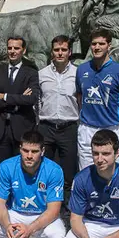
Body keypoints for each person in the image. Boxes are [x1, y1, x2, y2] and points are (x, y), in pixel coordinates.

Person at [75, 29, 119, 170]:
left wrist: (114, 117)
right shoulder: (82, 69)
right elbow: (79, 97)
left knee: (112, 175)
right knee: (86, 174)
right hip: (87, 129)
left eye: (101, 43)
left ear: (109, 45)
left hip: (111, 128)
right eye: (94, 44)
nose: (97, 47)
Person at [37, 35, 79, 200]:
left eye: (63, 50)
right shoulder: (41, 74)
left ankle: (66, 210)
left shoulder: (78, 73)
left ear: (69, 52)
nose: (60, 53)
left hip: (69, 128)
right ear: (52, 52)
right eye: (56, 50)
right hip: (46, 127)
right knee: (44, 170)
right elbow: (37, 100)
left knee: (69, 172)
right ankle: (45, 207)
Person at [0, 36, 39, 163]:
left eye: (16, 48)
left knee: (23, 167)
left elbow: (31, 99)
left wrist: (4, 97)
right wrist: (19, 99)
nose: (12, 51)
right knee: (4, 168)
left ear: (24, 50)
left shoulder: (31, 73)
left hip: (22, 128)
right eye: (9, 48)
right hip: (1, 129)